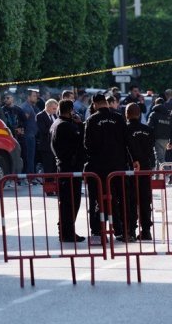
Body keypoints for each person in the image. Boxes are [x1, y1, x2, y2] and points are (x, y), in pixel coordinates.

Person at [84, 92, 131, 241]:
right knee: (119, 197)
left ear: (95, 104)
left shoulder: (92, 120)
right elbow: (127, 140)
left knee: (99, 198)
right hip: (118, 165)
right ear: (106, 102)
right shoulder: (118, 118)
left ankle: (99, 229)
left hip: (99, 167)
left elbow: (87, 145)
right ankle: (122, 229)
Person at [51, 99, 86, 243]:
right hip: (70, 168)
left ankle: (65, 231)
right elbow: (80, 142)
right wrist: (80, 126)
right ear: (71, 110)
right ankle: (67, 232)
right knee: (71, 201)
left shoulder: (55, 124)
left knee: (66, 201)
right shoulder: (66, 126)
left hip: (62, 166)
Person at [125, 103, 156, 240]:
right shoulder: (148, 130)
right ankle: (146, 230)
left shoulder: (124, 130)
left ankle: (131, 230)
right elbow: (151, 151)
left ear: (127, 114)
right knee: (145, 200)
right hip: (145, 168)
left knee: (130, 200)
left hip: (129, 169)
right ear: (139, 114)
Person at [147, 97, 172, 169]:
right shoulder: (168, 115)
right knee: (160, 158)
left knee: (160, 158)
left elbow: (149, 127)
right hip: (166, 139)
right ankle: (157, 176)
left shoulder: (153, 114)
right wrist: (171, 141)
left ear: (156, 104)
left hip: (157, 138)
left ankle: (169, 173)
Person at [20, 89, 40, 178]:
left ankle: (31, 176)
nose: (36, 97)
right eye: (34, 96)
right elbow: (23, 120)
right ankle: (30, 177)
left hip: (31, 135)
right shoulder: (26, 107)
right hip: (28, 136)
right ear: (28, 97)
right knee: (29, 157)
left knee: (31, 157)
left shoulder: (29, 106)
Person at [36, 99, 59, 175]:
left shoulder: (55, 115)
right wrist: (55, 130)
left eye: (56, 109)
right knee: (48, 167)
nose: (55, 110)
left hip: (55, 146)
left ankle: (55, 184)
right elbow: (43, 130)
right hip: (46, 146)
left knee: (54, 167)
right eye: (54, 109)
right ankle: (48, 184)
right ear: (48, 107)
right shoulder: (40, 116)